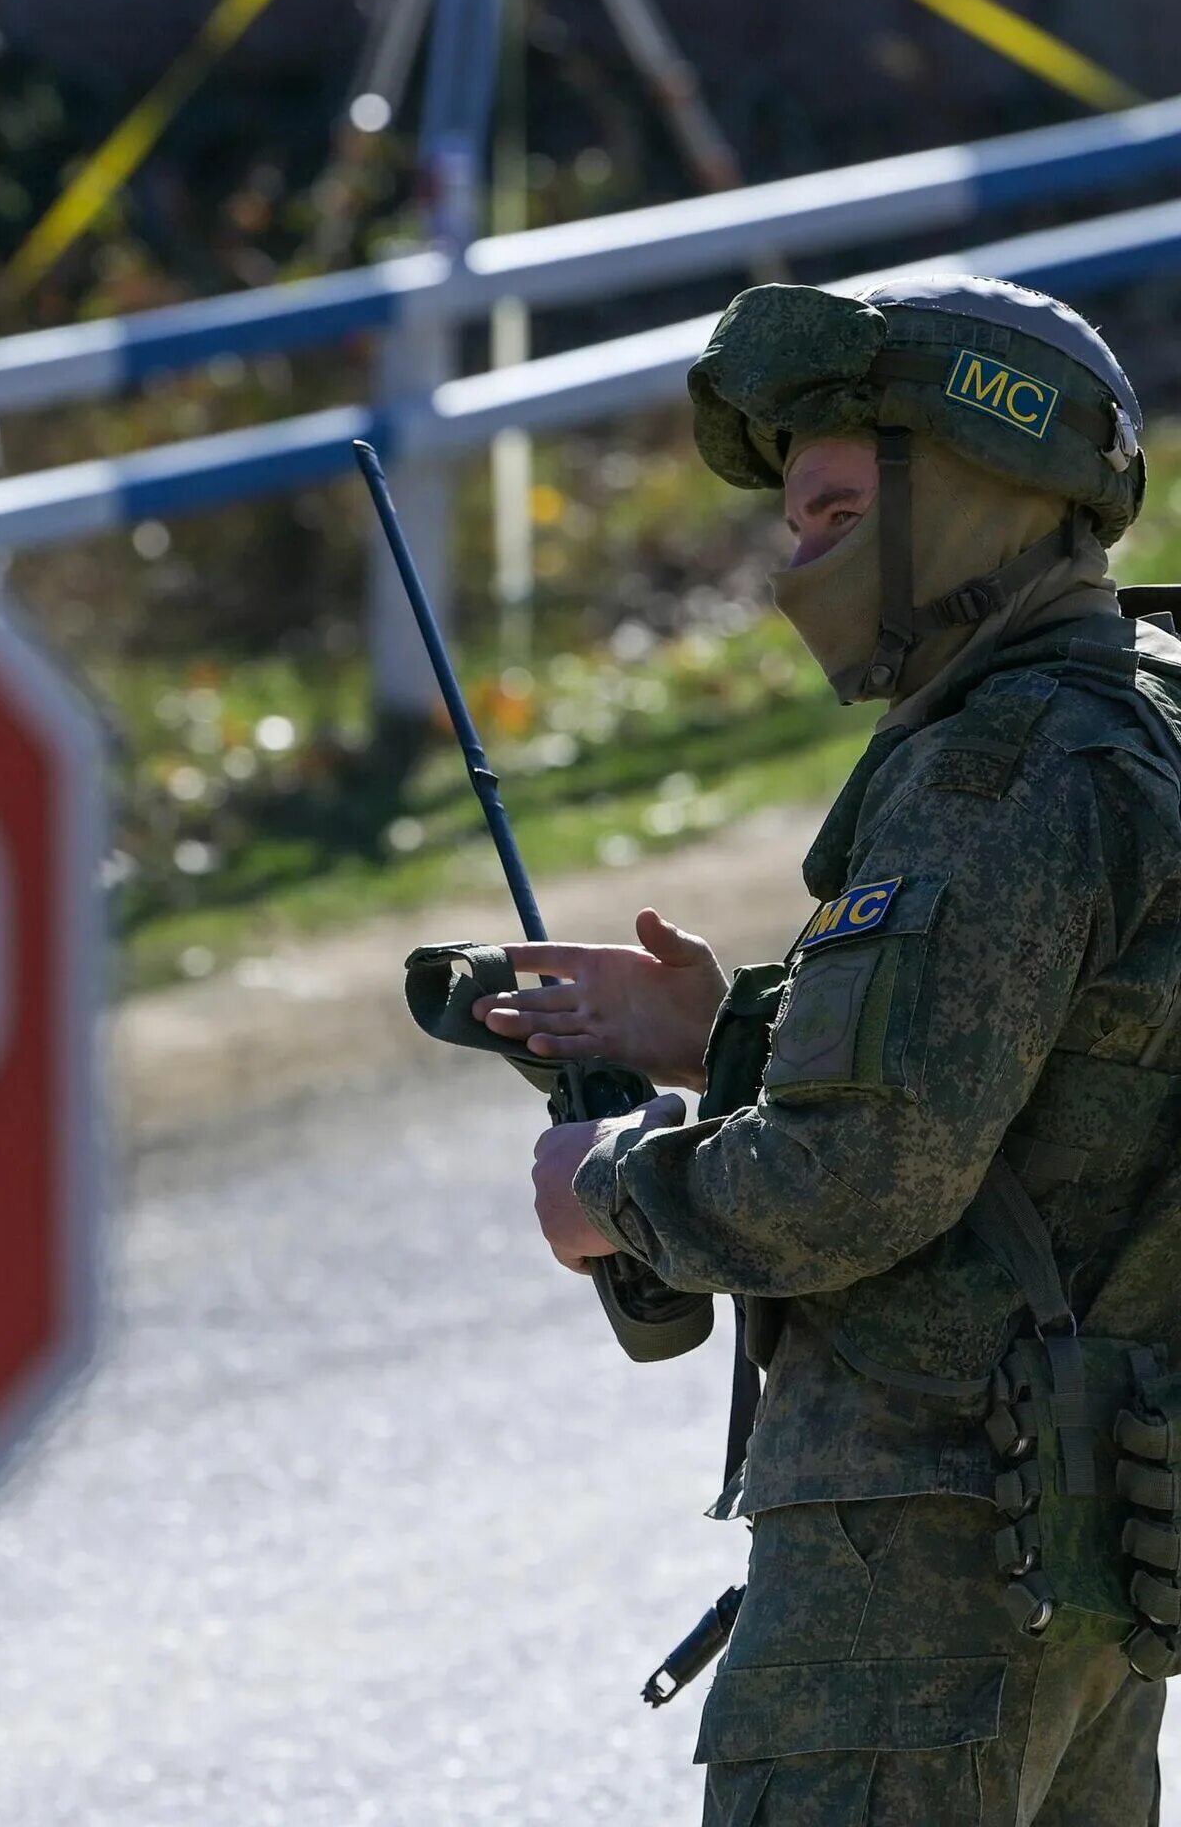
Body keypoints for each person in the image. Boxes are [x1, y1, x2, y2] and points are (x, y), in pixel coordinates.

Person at [474, 275, 1181, 1823]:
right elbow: (1063, 1081)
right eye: (794, 519)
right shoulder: (1131, 735)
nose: (803, 555)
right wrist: (721, 1031)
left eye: (841, 506)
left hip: (917, 1582)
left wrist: (614, 1184)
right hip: (1081, 1563)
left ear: (991, 489)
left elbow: (869, 1171)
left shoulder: (997, 770)